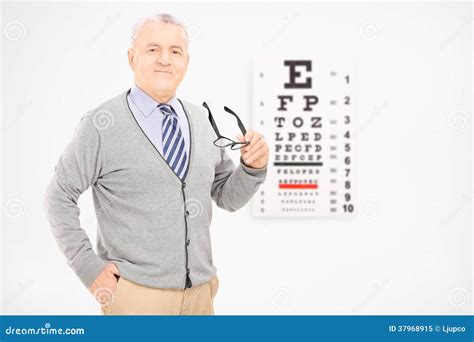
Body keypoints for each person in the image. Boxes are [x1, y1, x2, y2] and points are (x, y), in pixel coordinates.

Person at [43, 13, 269, 315]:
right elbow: (58, 197)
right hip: (135, 297)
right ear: (131, 58)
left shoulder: (201, 121)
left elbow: (227, 196)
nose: (165, 59)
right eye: (153, 49)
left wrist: (253, 168)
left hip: (201, 296)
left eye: (175, 51)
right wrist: (89, 268)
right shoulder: (100, 125)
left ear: (186, 62)